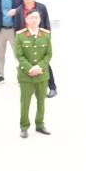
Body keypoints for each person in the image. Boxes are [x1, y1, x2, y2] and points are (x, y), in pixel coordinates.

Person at [16, 10, 52, 138]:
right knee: (25, 102)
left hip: (42, 74)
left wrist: (39, 67)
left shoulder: (46, 35)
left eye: (36, 17)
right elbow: (19, 55)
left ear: (40, 20)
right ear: (26, 20)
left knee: (41, 102)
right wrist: (30, 68)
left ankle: (40, 125)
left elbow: (48, 54)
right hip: (26, 76)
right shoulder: (20, 35)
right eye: (31, 17)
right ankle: (24, 127)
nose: (34, 20)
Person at [20, 0, 57, 97]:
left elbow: (47, 24)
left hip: (40, 39)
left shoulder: (41, 7)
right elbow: (18, 25)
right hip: (26, 40)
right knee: (28, 63)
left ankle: (52, 87)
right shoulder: (20, 9)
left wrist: (47, 39)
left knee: (44, 63)